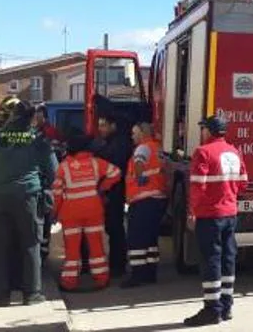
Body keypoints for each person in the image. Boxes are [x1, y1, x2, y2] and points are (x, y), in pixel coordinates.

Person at [0, 100, 58, 307]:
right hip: (28, 198)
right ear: (31, 117)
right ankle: (32, 293)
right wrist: (51, 194)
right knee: (30, 244)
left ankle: (2, 295)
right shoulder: (38, 140)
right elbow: (54, 172)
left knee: (1, 246)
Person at [183, 116, 248, 327]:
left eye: (202, 129)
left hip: (210, 216)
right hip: (230, 214)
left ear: (209, 131)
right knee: (228, 258)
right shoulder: (234, 151)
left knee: (211, 259)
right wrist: (227, 195)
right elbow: (243, 183)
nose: (201, 133)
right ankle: (226, 306)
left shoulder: (203, 152)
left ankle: (212, 310)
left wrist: (192, 212)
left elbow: (197, 187)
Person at [52, 132, 121, 291]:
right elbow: (116, 172)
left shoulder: (63, 167)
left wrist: (54, 213)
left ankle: (69, 282)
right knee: (96, 245)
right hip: (93, 210)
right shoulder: (95, 163)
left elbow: (57, 192)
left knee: (72, 249)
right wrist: (102, 188)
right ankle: (101, 278)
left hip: (71, 213)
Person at [121, 123, 167, 288]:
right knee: (150, 239)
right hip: (157, 199)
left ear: (143, 133)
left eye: (134, 133)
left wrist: (140, 177)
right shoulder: (157, 148)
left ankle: (137, 275)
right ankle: (150, 272)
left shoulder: (142, 148)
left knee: (137, 239)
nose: (132, 136)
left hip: (143, 200)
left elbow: (139, 162)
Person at [91, 114, 133, 277]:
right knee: (112, 227)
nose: (100, 129)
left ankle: (118, 264)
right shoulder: (110, 142)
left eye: (103, 125)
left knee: (115, 228)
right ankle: (116, 262)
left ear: (113, 126)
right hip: (112, 191)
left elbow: (114, 166)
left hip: (115, 191)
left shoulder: (119, 144)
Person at [33, 103, 63, 262]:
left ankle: (42, 253)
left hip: (46, 184)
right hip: (42, 183)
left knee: (44, 221)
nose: (35, 120)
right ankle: (41, 253)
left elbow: (53, 159)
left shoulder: (49, 133)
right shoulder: (37, 133)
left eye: (38, 117)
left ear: (44, 117)